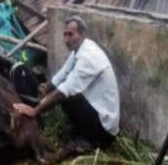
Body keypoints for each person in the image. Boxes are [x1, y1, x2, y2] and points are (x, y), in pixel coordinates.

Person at [14, 16, 120, 149]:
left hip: (105, 129)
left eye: (70, 35)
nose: (66, 40)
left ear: (81, 34)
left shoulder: (88, 56)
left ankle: (92, 140)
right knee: (63, 92)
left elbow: (65, 89)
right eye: (65, 35)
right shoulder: (80, 48)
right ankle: (84, 131)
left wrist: (35, 111)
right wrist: (45, 88)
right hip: (97, 111)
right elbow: (63, 73)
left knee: (66, 96)